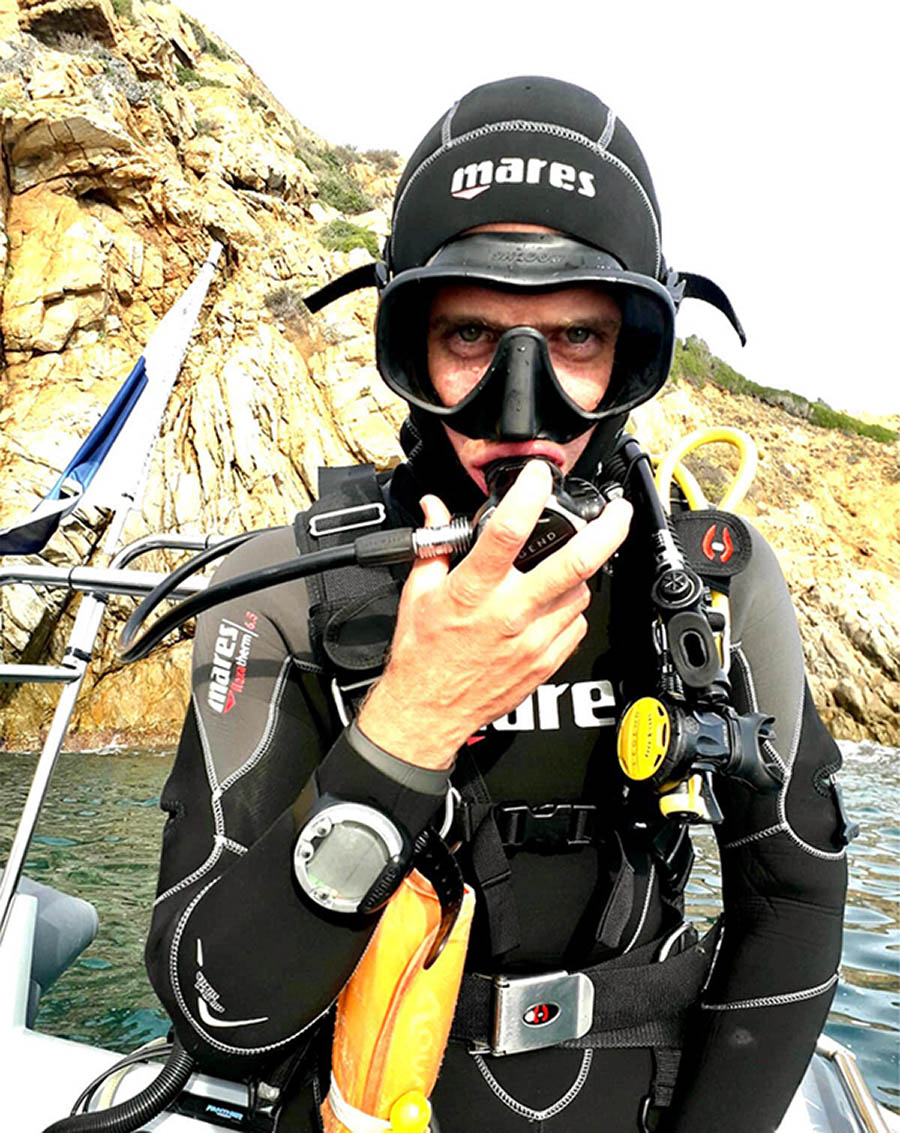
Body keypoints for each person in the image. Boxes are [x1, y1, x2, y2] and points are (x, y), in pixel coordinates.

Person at [146, 76, 849, 1132]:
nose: (523, 414)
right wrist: (409, 721)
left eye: (577, 339)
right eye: (472, 335)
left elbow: (794, 899)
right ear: (410, 349)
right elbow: (217, 1009)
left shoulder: (712, 584)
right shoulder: (289, 592)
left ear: (635, 355)